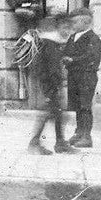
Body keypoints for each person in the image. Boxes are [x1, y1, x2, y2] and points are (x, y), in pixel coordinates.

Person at [30, 13, 75, 155]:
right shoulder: (51, 43)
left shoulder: (53, 43)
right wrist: (53, 88)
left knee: (58, 113)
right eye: (64, 27)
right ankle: (35, 143)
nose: (67, 31)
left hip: (51, 83)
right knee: (49, 112)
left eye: (69, 28)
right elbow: (51, 69)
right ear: (57, 27)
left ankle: (59, 143)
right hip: (49, 84)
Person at [63, 6, 101, 148]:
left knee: (85, 106)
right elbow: (67, 51)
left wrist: (73, 60)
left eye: (75, 23)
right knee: (77, 106)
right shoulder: (73, 37)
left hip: (86, 76)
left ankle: (86, 136)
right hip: (74, 75)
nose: (72, 25)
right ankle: (78, 132)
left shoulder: (94, 38)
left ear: (86, 23)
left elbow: (91, 57)